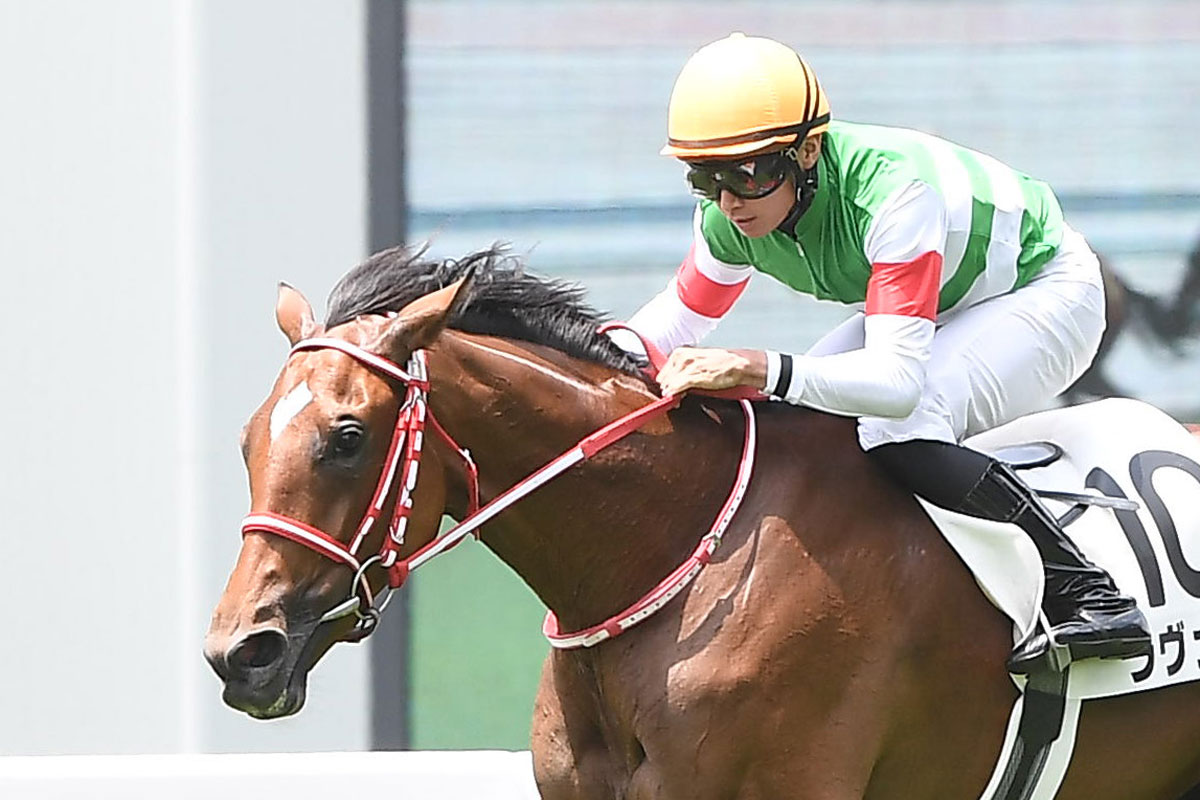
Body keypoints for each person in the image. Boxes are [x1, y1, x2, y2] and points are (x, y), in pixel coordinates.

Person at [624, 32, 1151, 673]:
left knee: (899, 424)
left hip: (1048, 291)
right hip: (950, 295)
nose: (728, 199)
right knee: (800, 422)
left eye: (748, 172)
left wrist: (758, 366)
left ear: (807, 151)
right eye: (704, 177)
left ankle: (1089, 594)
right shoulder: (726, 218)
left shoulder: (893, 194)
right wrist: (580, 356)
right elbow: (675, 321)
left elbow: (897, 387)